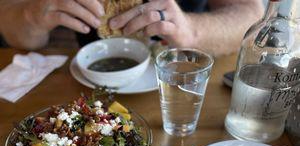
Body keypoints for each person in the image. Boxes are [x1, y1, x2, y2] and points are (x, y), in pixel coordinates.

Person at [0, 0, 264, 56]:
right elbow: (13, 28)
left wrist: (191, 30)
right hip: (74, 83)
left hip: (181, 80)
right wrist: (30, 15)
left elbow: (250, 14)